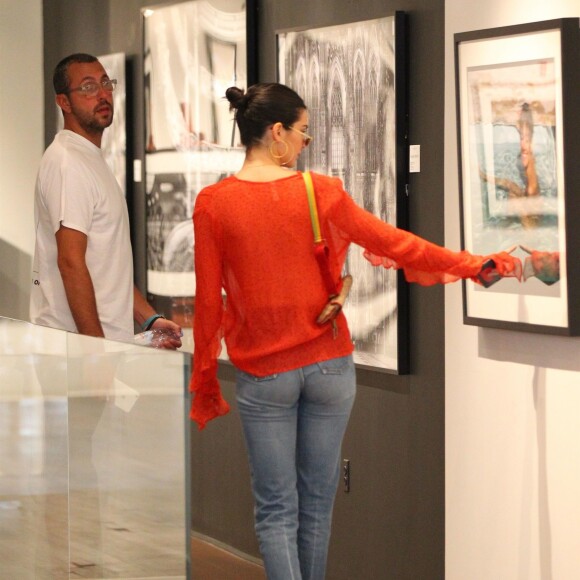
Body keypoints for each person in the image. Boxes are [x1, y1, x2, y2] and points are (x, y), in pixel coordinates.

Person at [189, 82, 521, 579]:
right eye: (303, 132)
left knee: (277, 511)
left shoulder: (214, 204)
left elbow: (207, 303)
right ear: (276, 133)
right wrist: (475, 264)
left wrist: (205, 380)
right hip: (329, 367)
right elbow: (399, 244)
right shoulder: (319, 193)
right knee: (317, 507)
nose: (307, 143)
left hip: (265, 375)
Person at [30, 53, 181, 347]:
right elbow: (71, 262)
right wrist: (95, 352)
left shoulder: (88, 158)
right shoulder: (68, 163)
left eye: (104, 83)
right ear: (64, 102)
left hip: (99, 344)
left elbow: (107, 263)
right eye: (87, 87)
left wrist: (149, 319)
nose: (101, 94)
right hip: (74, 349)